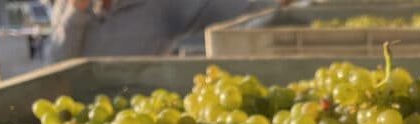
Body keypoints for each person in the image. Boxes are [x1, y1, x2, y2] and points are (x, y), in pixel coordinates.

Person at [47, 0, 291, 61]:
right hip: (80, 120)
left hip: (142, 120)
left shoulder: (159, 5)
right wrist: (76, 12)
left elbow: (223, 8)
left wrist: (275, 1)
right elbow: (55, 62)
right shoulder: (68, 8)